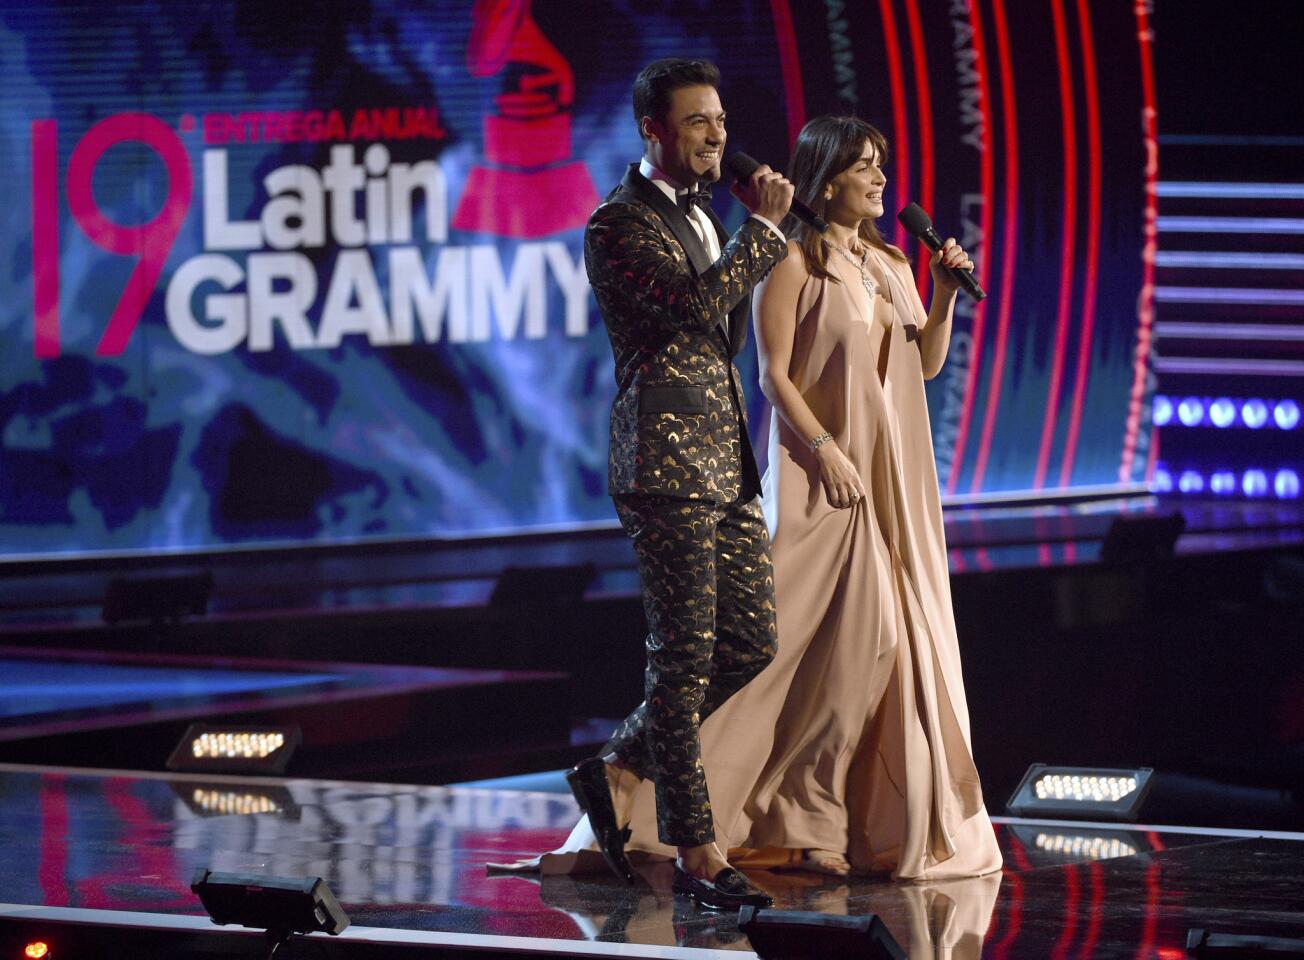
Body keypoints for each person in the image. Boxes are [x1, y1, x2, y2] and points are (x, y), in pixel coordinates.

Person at [513, 114, 1001, 883]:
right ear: (827, 178)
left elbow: (926, 365)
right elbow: (774, 374)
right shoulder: (793, 261)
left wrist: (941, 298)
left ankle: (813, 823)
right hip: (823, 478)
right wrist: (827, 449)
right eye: (863, 167)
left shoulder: (890, 260)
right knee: (805, 651)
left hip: (892, 473)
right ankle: (643, 794)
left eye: (881, 165)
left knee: (869, 655)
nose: (879, 180)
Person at [562, 57, 795, 909]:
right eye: (699, 121)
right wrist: (761, 237)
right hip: (662, 469)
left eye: (722, 121)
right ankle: (700, 854)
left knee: (749, 646)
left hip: (722, 460)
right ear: (653, 129)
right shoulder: (616, 224)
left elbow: (722, 336)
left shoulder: (705, 219)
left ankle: (615, 761)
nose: (718, 136)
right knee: (684, 659)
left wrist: (747, 239)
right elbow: (694, 313)